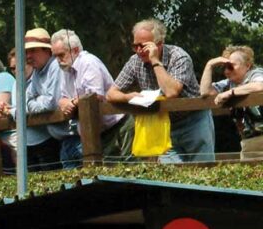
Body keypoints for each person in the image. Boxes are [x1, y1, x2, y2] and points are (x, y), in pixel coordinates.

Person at [106, 18, 214, 163]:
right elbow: (111, 93)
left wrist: (155, 61)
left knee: (204, 169)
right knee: (171, 178)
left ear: (159, 44)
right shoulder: (134, 61)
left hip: (194, 121)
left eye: (143, 46)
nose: (138, 50)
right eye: (135, 46)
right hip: (164, 125)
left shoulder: (179, 57)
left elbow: (171, 92)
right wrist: (129, 97)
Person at [51, 30, 122, 166]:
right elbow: (62, 98)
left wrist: (71, 102)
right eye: (55, 56)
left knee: (114, 175)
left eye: (61, 55)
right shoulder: (65, 68)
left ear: (76, 50)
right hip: (92, 133)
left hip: (113, 129)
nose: (58, 60)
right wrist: (65, 103)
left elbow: (94, 96)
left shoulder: (88, 62)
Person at [200, 45, 263, 159]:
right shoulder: (230, 83)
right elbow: (205, 91)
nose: (227, 71)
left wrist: (231, 93)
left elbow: (260, 85)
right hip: (249, 140)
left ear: (247, 66)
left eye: (231, 66)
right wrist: (209, 65)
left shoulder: (256, 73)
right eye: (225, 67)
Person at [15, 28, 62, 170]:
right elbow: (27, 100)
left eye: (33, 50)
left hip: (60, 138)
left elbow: (50, 104)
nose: (28, 56)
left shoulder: (56, 67)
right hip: (52, 134)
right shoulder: (37, 71)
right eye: (27, 52)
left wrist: (35, 101)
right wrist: (36, 101)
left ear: (47, 50)